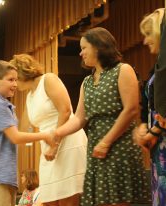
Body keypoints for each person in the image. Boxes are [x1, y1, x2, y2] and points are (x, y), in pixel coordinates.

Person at [53, 27, 151, 206]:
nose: (81, 53)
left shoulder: (123, 70)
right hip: (97, 147)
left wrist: (107, 141)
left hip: (119, 145)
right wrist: (58, 132)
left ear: (98, 46)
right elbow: (79, 118)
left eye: (84, 48)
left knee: (119, 201)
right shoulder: (87, 82)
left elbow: (131, 110)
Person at [10, 54, 87, 206]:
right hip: (48, 146)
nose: (14, 83)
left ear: (22, 72)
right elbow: (25, 127)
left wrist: (55, 144)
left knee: (68, 199)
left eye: (14, 78)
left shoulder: (48, 79)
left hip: (67, 140)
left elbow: (64, 110)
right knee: (49, 199)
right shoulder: (29, 96)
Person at [0, 60, 55, 206]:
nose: (16, 84)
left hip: (3, 175)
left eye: (16, 80)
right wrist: (46, 135)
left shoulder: (4, 105)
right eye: (11, 80)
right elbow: (16, 137)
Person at [134, 8, 166, 206]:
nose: (145, 41)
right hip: (159, 150)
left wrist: (155, 130)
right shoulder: (156, 68)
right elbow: (149, 104)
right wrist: (143, 126)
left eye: (148, 34)